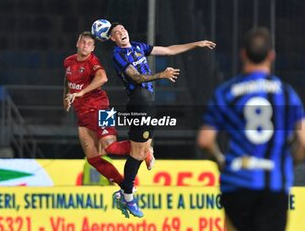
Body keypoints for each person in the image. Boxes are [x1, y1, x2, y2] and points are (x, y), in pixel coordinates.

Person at [197, 27, 305, 231]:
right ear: (272, 55)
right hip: (274, 184)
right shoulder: (287, 94)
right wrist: (288, 164)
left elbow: (205, 141)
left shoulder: (226, 92)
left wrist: (221, 161)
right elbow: (304, 143)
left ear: (243, 54)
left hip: (237, 183)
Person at [108, 22, 216, 218]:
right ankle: (126, 196)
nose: (121, 32)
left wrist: (197, 43)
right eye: (116, 32)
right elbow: (137, 78)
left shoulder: (139, 47)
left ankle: (145, 156)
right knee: (136, 152)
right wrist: (162, 75)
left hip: (148, 102)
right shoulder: (118, 54)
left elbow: (169, 50)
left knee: (142, 149)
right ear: (112, 39)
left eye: (123, 29)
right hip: (138, 102)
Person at [63, 31, 153, 188]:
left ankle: (145, 149)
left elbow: (103, 78)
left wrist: (82, 92)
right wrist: (65, 97)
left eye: (89, 44)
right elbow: (67, 80)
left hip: (101, 108)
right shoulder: (68, 61)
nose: (85, 46)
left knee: (110, 147)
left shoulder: (93, 62)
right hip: (82, 113)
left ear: (93, 48)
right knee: (92, 158)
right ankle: (123, 184)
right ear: (78, 43)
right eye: (83, 42)